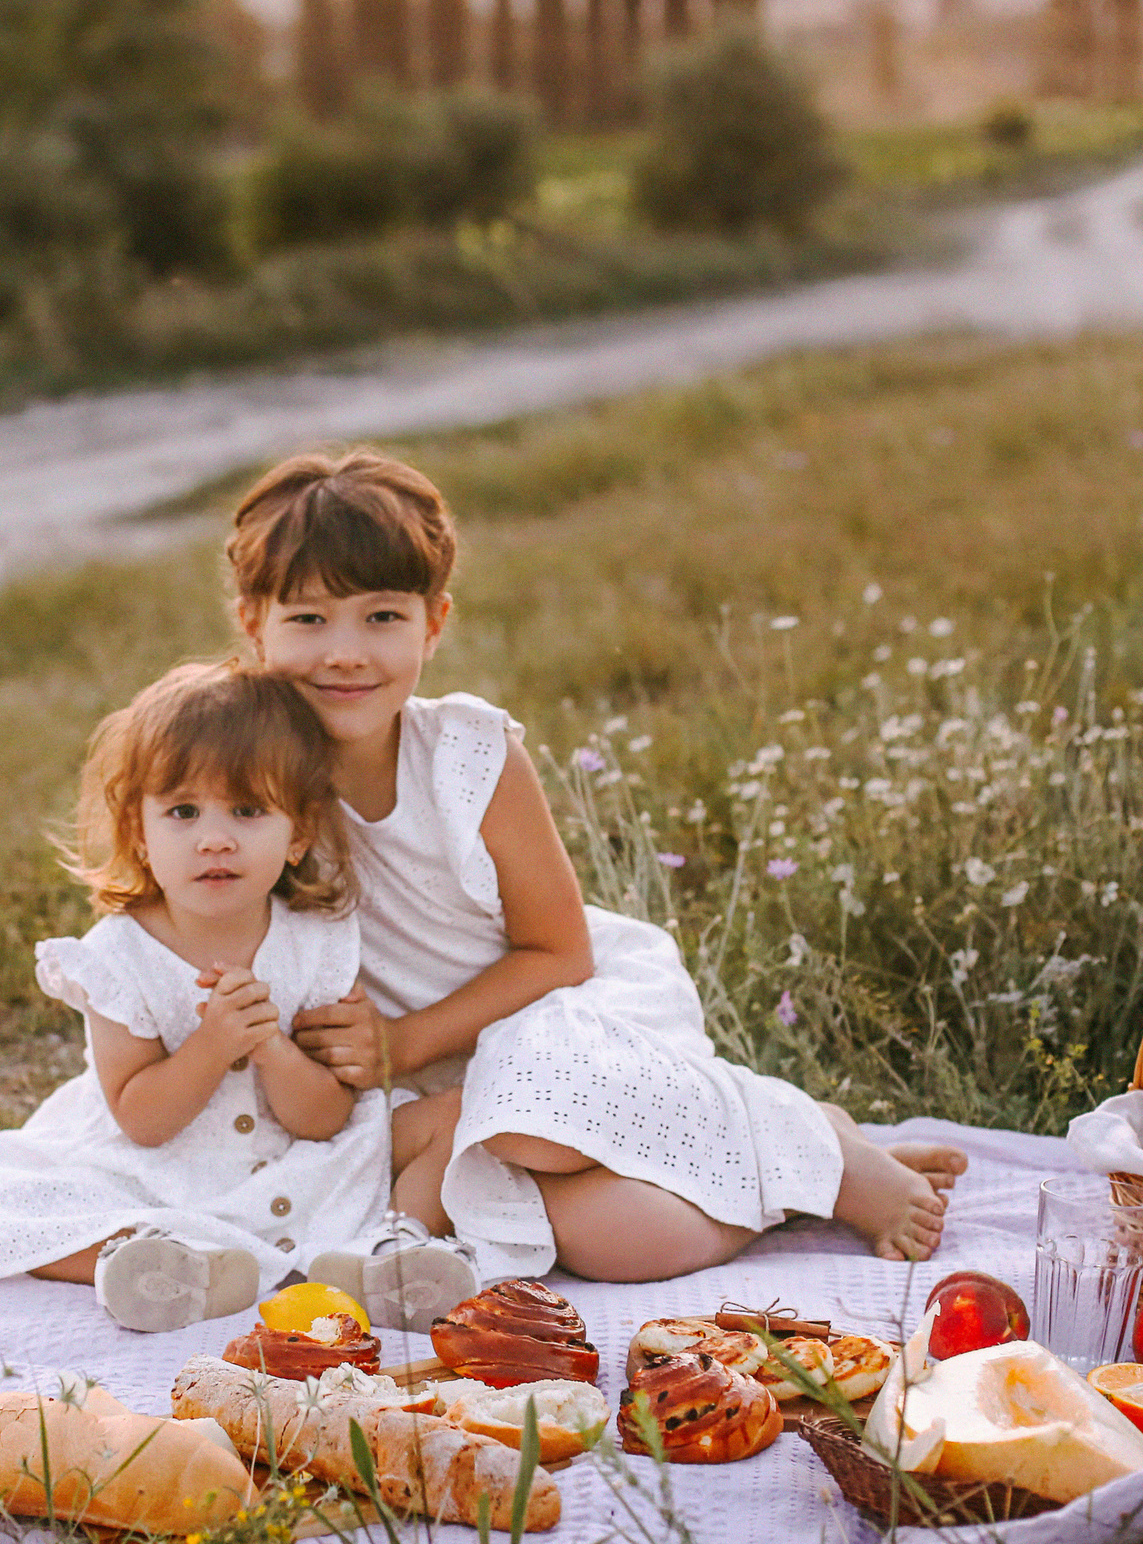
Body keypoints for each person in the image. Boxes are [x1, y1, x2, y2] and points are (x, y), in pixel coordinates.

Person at [214, 449, 966, 1319]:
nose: (345, 653)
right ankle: (784, 1170)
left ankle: (804, 1141)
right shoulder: (241, 776)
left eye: (382, 615)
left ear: (434, 623)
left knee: (529, 1112)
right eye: (308, 618)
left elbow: (558, 949)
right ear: (252, 623)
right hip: (424, 1090)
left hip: (551, 1016)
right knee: (620, 1240)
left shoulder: (467, 753)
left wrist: (404, 1042)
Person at [0, 660, 407, 1331]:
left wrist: (271, 1047)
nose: (215, 837)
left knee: (435, 1126)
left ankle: (389, 1255)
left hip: (295, 1165)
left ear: (300, 833)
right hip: (158, 1172)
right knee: (14, 1205)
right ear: (139, 832)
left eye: (249, 810)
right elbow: (141, 1118)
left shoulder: (316, 942)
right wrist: (212, 1044)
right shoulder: (117, 957)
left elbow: (326, 1118)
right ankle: (157, 1267)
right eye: (183, 811)